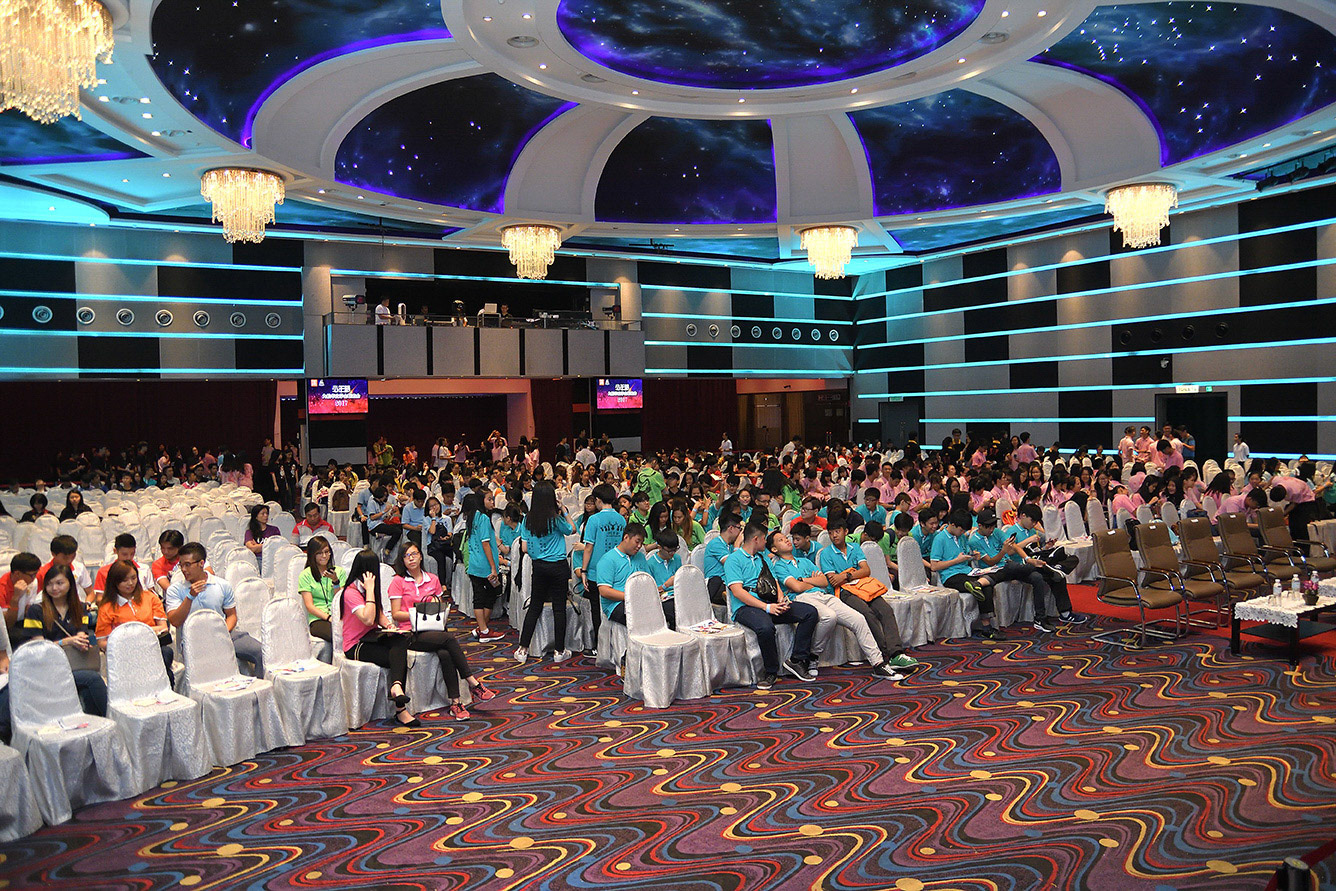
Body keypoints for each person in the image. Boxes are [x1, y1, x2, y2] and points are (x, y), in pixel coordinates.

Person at [772, 526, 910, 680]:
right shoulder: (779, 566)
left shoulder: (804, 561)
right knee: (829, 616)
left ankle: (878, 663)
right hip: (803, 598)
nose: (787, 540)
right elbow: (797, 588)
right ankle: (813, 655)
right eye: (781, 540)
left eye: (786, 538)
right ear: (774, 549)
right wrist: (811, 581)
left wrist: (803, 580)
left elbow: (824, 581)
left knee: (859, 619)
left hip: (823, 595)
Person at [388, 543, 495, 720]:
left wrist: (434, 607)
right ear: (402, 560)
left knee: (446, 653)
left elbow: (440, 608)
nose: (411, 558)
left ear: (421, 556)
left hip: (433, 629)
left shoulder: (432, 579)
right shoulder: (398, 582)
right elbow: (396, 614)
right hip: (410, 632)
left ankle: (456, 702)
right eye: (407, 556)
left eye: (414, 554)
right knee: (449, 640)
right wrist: (418, 613)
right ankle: (473, 682)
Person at [725, 521, 819, 690]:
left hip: (770, 602)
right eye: (764, 539)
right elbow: (738, 592)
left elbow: (774, 581)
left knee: (810, 612)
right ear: (756, 539)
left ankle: (797, 659)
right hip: (746, 607)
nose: (766, 543)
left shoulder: (763, 559)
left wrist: (781, 599)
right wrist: (766, 607)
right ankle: (771, 672)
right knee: (766, 627)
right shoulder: (734, 559)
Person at [339, 549, 420, 727]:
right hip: (355, 644)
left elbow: (379, 614)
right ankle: (401, 710)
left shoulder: (368, 589)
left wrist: (389, 626)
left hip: (372, 636)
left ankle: (396, 687)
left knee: (400, 641)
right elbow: (368, 618)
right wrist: (369, 590)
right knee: (396, 657)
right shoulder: (351, 592)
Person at [16, 564, 108, 717]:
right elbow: (39, 648)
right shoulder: (36, 611)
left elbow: (82, 635)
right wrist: (66, 642)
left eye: (59, 583)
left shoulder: (80, 608)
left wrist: (82, 643)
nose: (54, 588)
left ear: (70, 584)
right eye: (49, 584)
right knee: (93, 679)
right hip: (47, 668)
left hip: (75, 664)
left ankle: (96, 724)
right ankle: (111, 719)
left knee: (88, 691)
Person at [164, 541, 264, 677]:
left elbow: (231, 615)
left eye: (187, 564)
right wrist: (190, 597)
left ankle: (259, 688)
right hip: (195, 640)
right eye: (181, 565)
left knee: (260, 652)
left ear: (201, 563)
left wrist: (223, 632)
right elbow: (175, 621)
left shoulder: (222, 584)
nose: (183, 569)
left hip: (224, 634)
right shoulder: (175, 589)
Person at [515, 482, 575, 664]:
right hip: (558, 566)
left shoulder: (527, 519)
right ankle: (559, 651)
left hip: (539, 567)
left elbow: (524, 548)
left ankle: (522, 649)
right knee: (559, 608)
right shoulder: (555, 519)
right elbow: (572, 529)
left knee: (535, 606)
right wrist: (563, 509)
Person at [96, 559, 174, 681]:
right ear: (115, 582)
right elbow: (102, 642)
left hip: (151, 647)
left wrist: (135, 633)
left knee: (166, 653)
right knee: (165, 672)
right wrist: (128, 641)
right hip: (125, 652)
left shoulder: (150, 597)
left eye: (133, 578)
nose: (130, 583)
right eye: (124, 580)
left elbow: (163, 628)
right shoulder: (107, 607)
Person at [929, 510, 1000, 639]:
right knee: (972, 583)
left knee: (987, 585)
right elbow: (934, 566)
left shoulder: (961, 537)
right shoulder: (939, 539)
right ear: (953, 525)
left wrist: (973, 556)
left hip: (967, 571)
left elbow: (966, 554)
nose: (962, 533)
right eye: (961, 530)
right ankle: (974, 585)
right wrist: (956, 560)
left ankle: (986, 626)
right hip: (950, 575)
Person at [576, 484, 626, 652]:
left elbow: (588, 547)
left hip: (596, 571)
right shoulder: (621, 519)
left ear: (598, 500)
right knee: (614, 608)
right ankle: (615, 645)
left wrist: (583, 570)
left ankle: (600, 646)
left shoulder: (594, 520)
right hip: (616, 570)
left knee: (597, 610)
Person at [461, 492, 504, 641]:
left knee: (482, 596)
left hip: (474, 563)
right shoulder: (483, 518)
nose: (492, 502)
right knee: (487, 596)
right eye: (489, 499)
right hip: (484, 564)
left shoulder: (472, 518)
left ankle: (482, 628)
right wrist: (493, 567)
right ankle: (484, 631)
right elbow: (485, 543)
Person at [595, 523, 651, 628]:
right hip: (615, 604)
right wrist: (631, 596)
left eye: (642, 543)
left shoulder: (640, 557)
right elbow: (604, 591)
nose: (639, 546)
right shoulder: (608, 559)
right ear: (626, 537)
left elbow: (647, 579)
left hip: (639, 599)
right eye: (637, 541)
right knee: (641, 617)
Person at [298, 536, 345, 643]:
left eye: (327, 552)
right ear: (312, 555)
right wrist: (329, 618)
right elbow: (310, 606)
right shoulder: (305, 575)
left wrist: (335, 581)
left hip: (339, 615)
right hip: (318, 619)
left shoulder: (339, 572)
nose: (324, 556)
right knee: (338, 635)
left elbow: (340, 599)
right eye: (319, 553)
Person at [36, 534, 94, 604]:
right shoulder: (42, 572)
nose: (70, 560)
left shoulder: (79, 568)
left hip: (75, 606)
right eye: (65, 558)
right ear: (53, 554)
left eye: (73, 556)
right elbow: (36, 596)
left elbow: (90, 593)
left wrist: (87, 604)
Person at [93, 533, 149, 600]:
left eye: (132, 554)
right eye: (124, 554)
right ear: (115, 551)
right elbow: (99, 598)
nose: (129, 558)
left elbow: (151, 594)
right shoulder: (104, 572)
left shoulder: (144, 569)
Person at [643, 529, 682, 625]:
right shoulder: (650, 563)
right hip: (663, 599)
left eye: (675, 550)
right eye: (669, 551)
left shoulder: (677, 558)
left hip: (678, 594)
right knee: (675, 612)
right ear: (659, 547)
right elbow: (651, 591)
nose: (672, 553)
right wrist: (666, 585)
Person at [703, 513, 742, 605]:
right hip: (716, 586)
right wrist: (737, 545)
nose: (741, 532)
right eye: (739, 528)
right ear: (731, 528)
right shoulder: (715, 544)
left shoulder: (730, 545)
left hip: (729, 583)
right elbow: (732, 565)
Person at [0, 552, 41, 630]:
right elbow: (7, 625)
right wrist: (15, 598)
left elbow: (29, 608)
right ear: (17, 574)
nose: (34, 578)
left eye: (36, 574)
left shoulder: (32, 581)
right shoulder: (2, 589)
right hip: (10, 628)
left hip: (25, 621)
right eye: (32, 575)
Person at [365, 484, 404, 561]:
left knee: (400, 527)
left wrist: (391, 513)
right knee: (397, 531)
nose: (386, 498)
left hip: (381, 523)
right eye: (385, 496)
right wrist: (384, 511)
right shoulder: (372, 502)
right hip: (373, 525)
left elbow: (385, 518)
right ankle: (387, 549)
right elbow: (372, 517)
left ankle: (381, 535)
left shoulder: (383, 504)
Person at [151, 529, 185, 595]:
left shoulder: (189, 559)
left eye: (170, 549)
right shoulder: (158, 564)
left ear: (180, 547)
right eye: (162, 548)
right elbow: (169, 589)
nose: (165, 552)